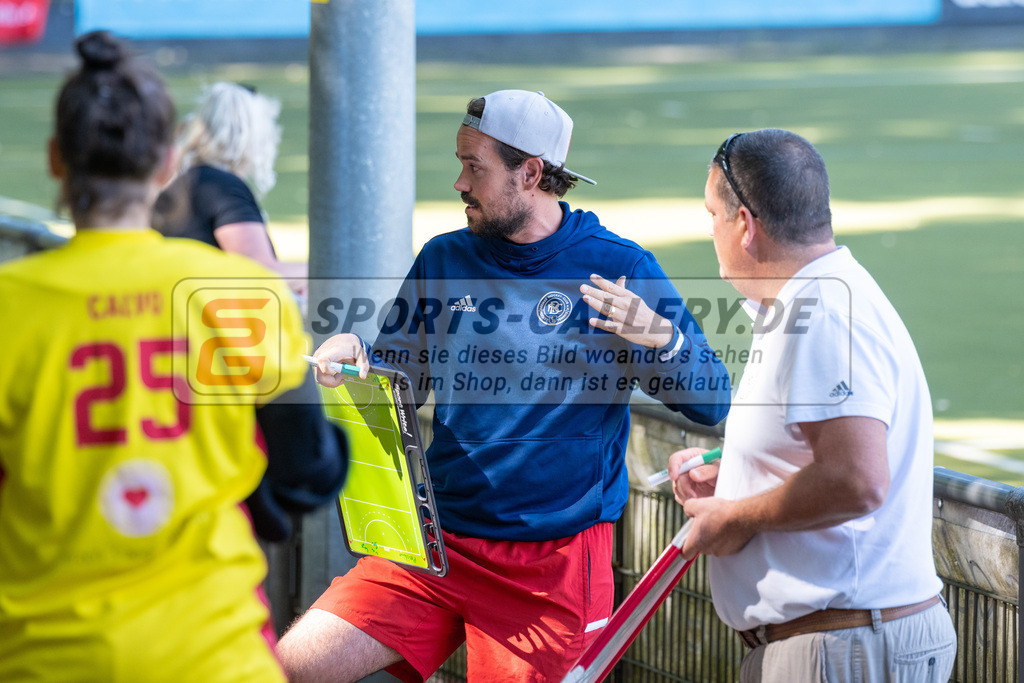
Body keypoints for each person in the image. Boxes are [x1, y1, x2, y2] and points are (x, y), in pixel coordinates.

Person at [277, 90, 732, 681]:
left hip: (552, 571)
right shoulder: (442, 259)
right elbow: (400, 380)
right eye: (461, 164)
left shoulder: (622, 266)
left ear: (532, 174)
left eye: (475, 167)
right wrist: (358, 358)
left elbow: (710, 398)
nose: (459, 183)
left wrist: (659, 336)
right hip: (434, 546)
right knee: (281, 668)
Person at [0, 31, 346, 681]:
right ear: (165, 165)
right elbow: (311, 468)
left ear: (56, 159)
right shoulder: (243, 290)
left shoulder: (9, 304)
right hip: (213, 651)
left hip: (44, 657)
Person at [669, 129, 956, 681]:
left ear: (746, 225)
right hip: (838, 641)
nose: (711, 232)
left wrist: (735, 516)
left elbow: (856, 479)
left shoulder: (823, 309)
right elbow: (824, 461)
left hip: (842, 646)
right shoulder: (813, 299)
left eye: (712, 215)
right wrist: (739, 478)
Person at [152, 81, 307, 297]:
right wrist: (324, 273)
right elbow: (259, 272)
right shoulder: (220, 186)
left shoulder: (184, 181)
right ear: (253, 137)